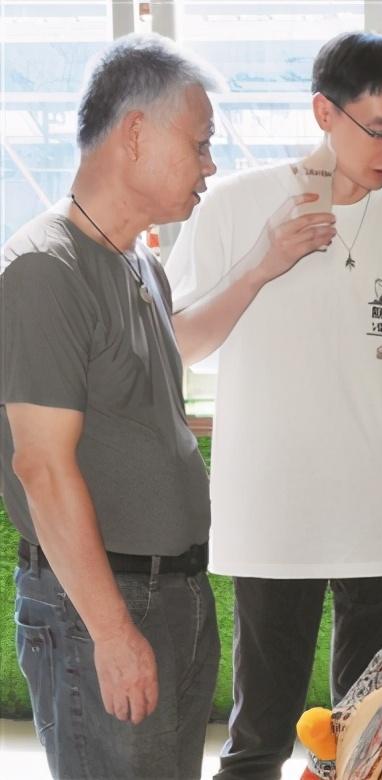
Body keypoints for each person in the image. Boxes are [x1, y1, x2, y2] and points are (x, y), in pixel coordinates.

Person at [164, 31, 382, 779]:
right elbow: (177, 345)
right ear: (324, 111)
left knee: (371, 741)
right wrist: (263, 264)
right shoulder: (234, 204)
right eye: (378, 130)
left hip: (380, 506)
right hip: (272, 508)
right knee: (258, 738)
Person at [0, 34, 304, 779]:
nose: (210, 164)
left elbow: (171, 348)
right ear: (134, 133)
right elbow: (41, 466)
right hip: (99, 601)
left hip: (173, 591)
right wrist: (110, 632)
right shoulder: (45, 268)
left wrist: (261, 266)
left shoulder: (137, 261)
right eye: (199, 144)